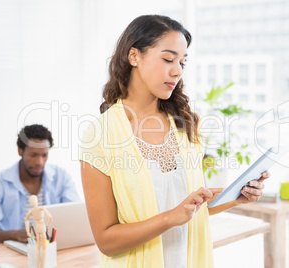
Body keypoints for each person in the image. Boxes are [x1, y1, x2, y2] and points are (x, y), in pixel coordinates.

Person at [79, 15, 269, 267]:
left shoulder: (185, 124)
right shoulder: (99, 135)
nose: (177, 70)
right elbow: (106, 241)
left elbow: (190, 211)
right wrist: (170, 217)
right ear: (134, 56)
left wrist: (236, 197)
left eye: (182, 62)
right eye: (168, 59)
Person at [0, 124, 79, 246]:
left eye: (44, 155)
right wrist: (14, 235)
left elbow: (76, 216)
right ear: (20, 151)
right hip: (12, 252)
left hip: (52, 247)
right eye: (33, 155)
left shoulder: (61, 177)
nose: (39, 162)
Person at [25, 195, 53, 268]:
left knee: (38, 248)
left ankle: (38, 266)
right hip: (42, 227)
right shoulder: (41, 208)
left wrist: (28, 231)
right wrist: (48, 224)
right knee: (44, 248)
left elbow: (26, 220)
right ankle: (43, 266)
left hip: (37, 228)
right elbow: (50, 217)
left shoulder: (31, 211)